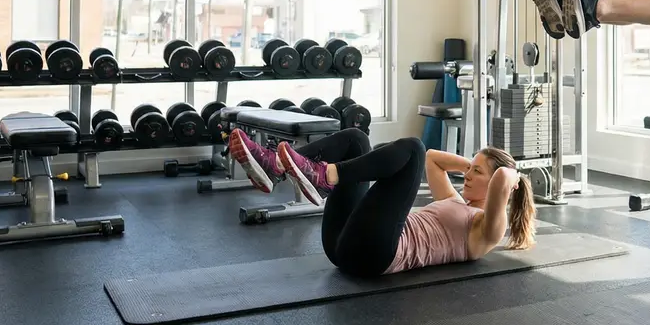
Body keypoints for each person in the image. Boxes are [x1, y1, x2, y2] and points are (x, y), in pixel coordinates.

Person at [226, 127, 537, 277]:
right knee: (356, 139)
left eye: (476, 172)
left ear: (500, 186)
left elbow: (500, 181)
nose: (467, 175)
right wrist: (474, 163)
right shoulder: (456, 201)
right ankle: (275, 167)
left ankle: (325, 175)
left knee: (412, 148)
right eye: (469, 169)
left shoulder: (485, 230)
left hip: (378, 255)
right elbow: (434, 161)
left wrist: (512, 174)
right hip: (343, 245)